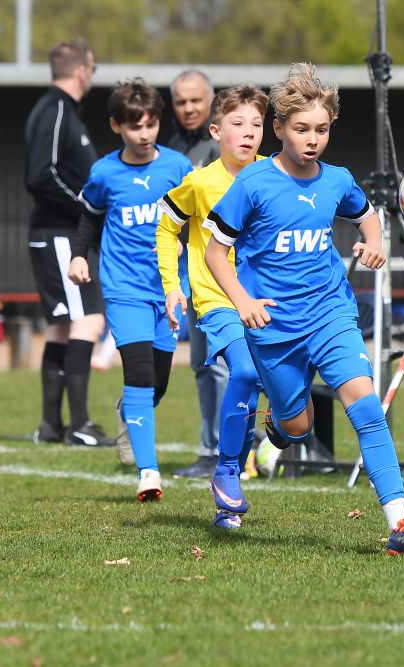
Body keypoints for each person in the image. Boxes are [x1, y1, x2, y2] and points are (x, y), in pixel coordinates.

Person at [204, 63, 404, 557]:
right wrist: (243, 301)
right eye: (301, 129)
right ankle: (278, 424)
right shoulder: (253, 183)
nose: (313, 140)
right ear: (278, 129)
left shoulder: (337, 180)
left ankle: (401, 524)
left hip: (331, 314)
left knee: (367, 408)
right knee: (298, 428)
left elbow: (367, 218)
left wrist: (374, 244)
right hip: (273, 328)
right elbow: (214, 253)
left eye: (322, 129)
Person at [68, 78, 193, 501]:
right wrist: (79, 255)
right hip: (124, 287)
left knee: (158, 383)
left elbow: (197, 216)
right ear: (116, 126)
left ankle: (128, 412)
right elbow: (89, 218)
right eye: (134, 126)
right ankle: (148, 472)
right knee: (138, 373)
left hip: (170, 289)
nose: (144, 134)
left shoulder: (178, 167)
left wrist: (182, 240)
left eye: (151, 124)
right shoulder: (104, 172)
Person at [157, 84, 268, 528]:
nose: (249, 132)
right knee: (244, 372)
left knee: (264, 392)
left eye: (257, 124)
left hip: (268, 301)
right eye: (238, 124)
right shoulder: (200, 183)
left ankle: (235, 473)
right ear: (216, 131)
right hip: (217, 301)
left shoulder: (275, 175)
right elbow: (167, 228)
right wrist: (173, 286)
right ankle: (226, 473)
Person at [24, 40, 113, 447]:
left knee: (62, 327)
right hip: (60, 233)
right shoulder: (56, 110)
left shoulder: (60, 111)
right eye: (92, 68)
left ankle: (50, 425)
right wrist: (85, 208)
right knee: (89, 320)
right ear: (81, 70)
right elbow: (42, 175)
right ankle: (79, 425)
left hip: (57, 233)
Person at [167, 69, 228, 480]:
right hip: (193, 274)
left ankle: (233, 448)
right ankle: (212, 449)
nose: (188, 108)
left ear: (211, 100)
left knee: (226, 364)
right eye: (181, 102)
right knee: (203, 365)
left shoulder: (227, 145)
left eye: (195, 100)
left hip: (230, 274)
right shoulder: (171, 150)